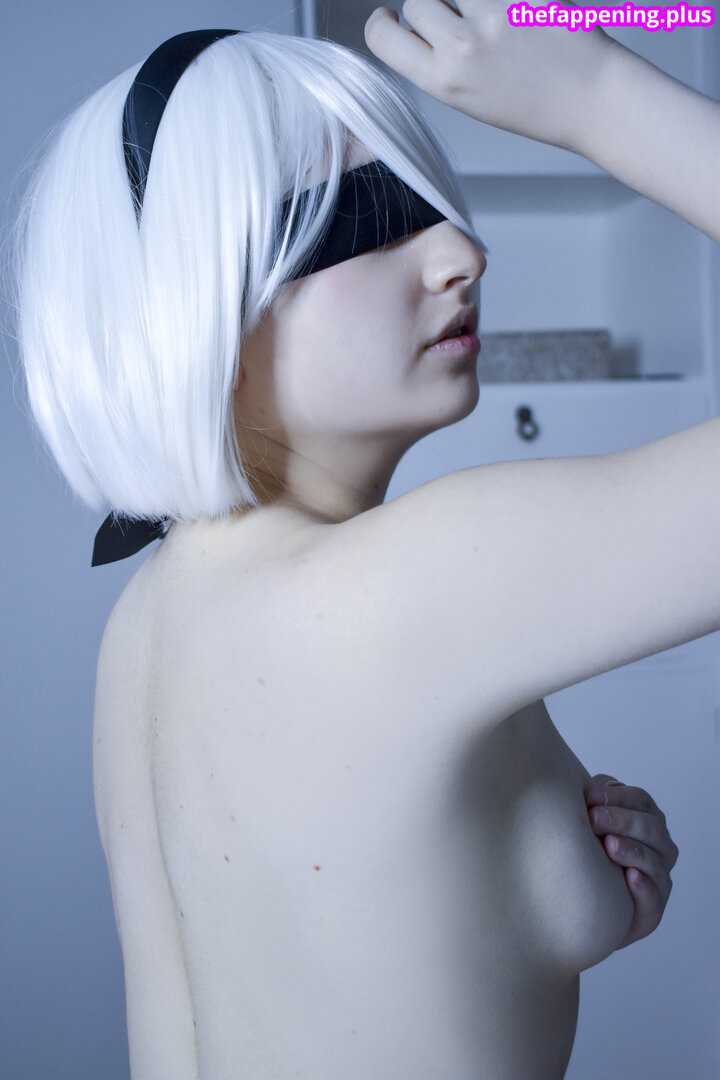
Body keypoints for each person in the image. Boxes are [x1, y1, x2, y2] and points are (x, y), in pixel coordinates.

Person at [5, 6, 698, 1077]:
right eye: (364, 219)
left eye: (432, 204)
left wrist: (559, 899)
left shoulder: (154, 616)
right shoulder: (394, 588)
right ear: (202, 305)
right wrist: (602, 100)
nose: (463, 253)